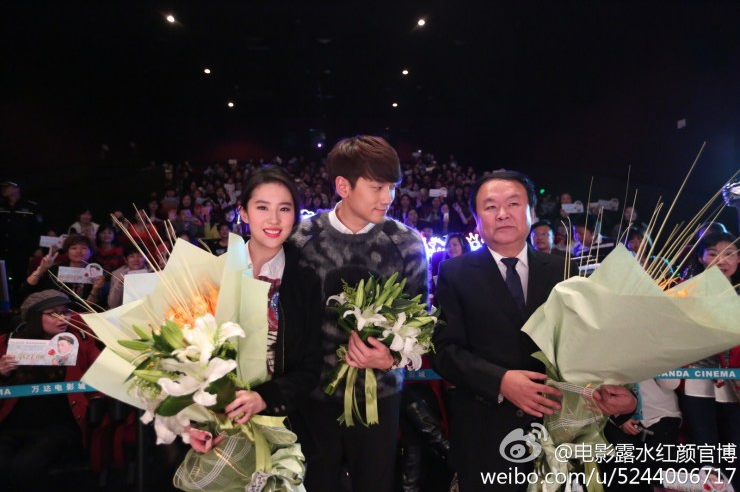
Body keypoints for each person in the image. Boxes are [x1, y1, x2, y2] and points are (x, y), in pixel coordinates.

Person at [432, 170, 636, 492]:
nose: (502, 213)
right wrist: (500, 381)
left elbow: (586, 344)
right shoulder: (455, 273)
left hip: (557, 428)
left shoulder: (562, 268)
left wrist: (621, 394)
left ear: (531, 212)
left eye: (513, 203)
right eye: (490, 206)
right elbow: (445, 351)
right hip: (486, 432)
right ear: (477, 218)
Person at [289, 135, 428, 492]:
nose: (388, 197)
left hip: (379, 399)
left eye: (392, 187)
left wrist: (391, 357)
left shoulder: (407, 243)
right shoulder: (300, 240)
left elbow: (421, 327)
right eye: (377, 187)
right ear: (343, 186)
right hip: (312, 397)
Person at [188, 167, 323, 462]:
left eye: (284, 209)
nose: (274, 220)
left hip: (285, 425)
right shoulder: (214, 274)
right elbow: (186, 358)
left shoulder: (307, 280)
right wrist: (192, 423)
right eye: (262, 207)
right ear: (244, 213)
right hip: (220, 426)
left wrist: (265, 397)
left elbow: (313, 365)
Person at [0, 290, 101, 491]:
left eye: (65, 312)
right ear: (34, 316)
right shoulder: (7, 343)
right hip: (12, 425)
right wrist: (1, 373)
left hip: (58, 426)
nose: (63, 318)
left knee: (25, 467)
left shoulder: (80, 341)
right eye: (54, 313)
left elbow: (103, 373)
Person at [679, 232, 739, 489]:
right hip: (697, 381)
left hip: (734, 384)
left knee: (734, 448)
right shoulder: (685, 291)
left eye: (729, 254)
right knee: (706, 451)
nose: (722, 260)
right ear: (701, 258)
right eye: (713, 254)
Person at [22, 234, 106, 309]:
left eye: (84, 248)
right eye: (74, 248)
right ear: (67, 252)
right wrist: (41, 269)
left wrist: (95, 289)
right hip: (53, 311)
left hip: (82, 315)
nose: (79, 251)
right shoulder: (55, 269)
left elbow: (90, 307)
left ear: (91, 252)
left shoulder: (95, 272)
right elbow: (26, 289)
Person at [0, 179, 44, 308]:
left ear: (17, 188)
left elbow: (37, 229)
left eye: (8, 186)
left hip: (21, 250)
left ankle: (16, 307)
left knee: (19, 279)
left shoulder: (31, 206)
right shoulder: (2, 205)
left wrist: (36, 248)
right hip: (2, 249)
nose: (4, 189)